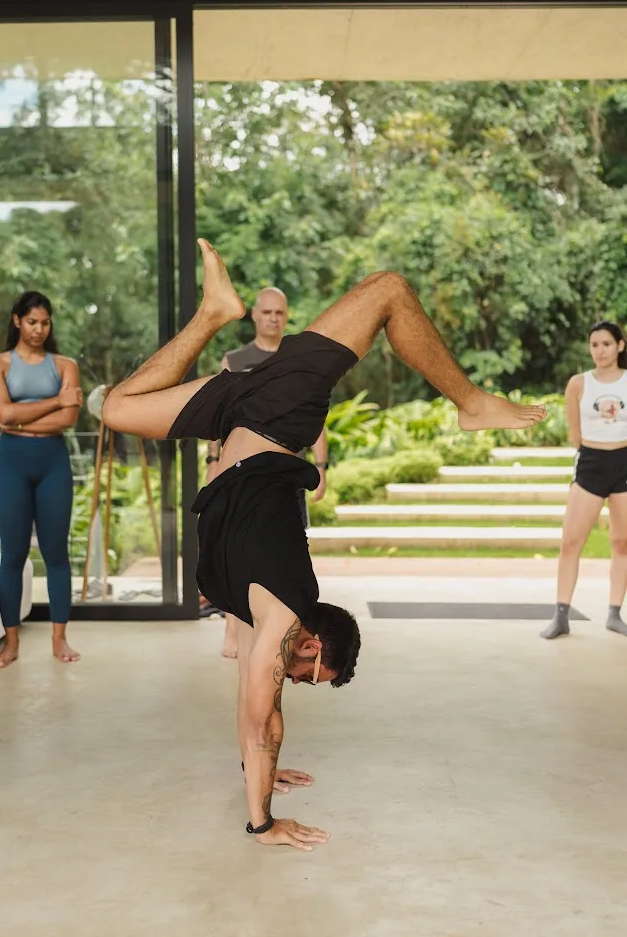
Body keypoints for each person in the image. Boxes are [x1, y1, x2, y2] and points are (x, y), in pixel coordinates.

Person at [103, 240, 544, 850]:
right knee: (388, 288)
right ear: (311, 643)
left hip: (241, 419)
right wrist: (262, 822)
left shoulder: (253, 612)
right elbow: (265, 721)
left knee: (118, 408)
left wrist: (260, 773)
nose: (299, 679)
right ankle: (470, 404)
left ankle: (213, 313)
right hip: (277, 418)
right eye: (312, 673)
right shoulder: (283, 612)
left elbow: (251, 714)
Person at [206, 286, 329, 659]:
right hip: (240, 473)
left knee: (285, 554)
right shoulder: (236, 359)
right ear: (255, 315)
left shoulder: (299, 359)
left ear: (286, 316)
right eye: (267, 312)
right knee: (236, 551)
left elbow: (316, 417)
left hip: (286, 473)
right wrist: (212, 460)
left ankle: (284, 631)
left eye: (280, 312)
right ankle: (231, 630)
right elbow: (219, 413)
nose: (274, 318)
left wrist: (321, 466)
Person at [0, 291, 82, 668]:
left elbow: (68, 420)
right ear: (16, 321)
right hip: (12, 465)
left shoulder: (64, 365)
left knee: (57, 555)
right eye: (31, 322)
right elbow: (3, 412)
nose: (39, 329)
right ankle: (10, 644)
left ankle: (60, 640)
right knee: (13, 555)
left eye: (45, 322)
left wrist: (15, 418)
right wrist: (56, 400)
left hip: (53, 462)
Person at [541, 321, 627, 640]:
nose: (600, 351)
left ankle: (614, 614)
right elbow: (575, 435)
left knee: (622, 543)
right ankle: (561, 615)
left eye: (606, 344)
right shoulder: (579, 383)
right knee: (570, 542)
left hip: (625, 465)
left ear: (620, 345)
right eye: (594, 345)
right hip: (591, 464)